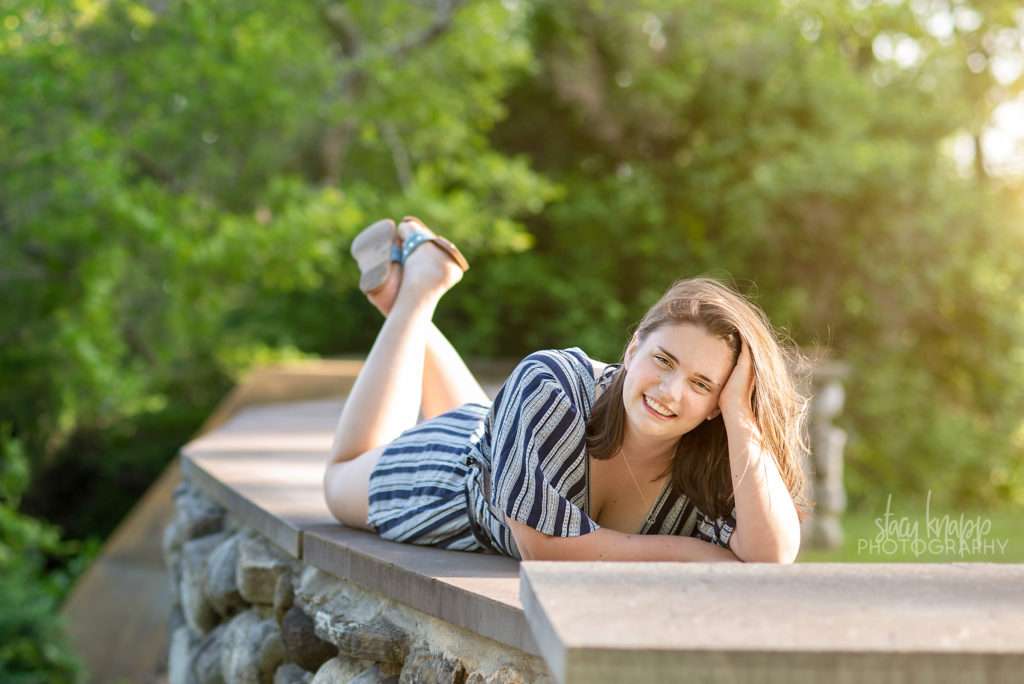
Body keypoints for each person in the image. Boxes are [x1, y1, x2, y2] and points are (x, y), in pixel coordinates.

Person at [324, 217, 811, 563]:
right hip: (448, 481)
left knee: (491, 421)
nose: (670, 391)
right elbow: (544, 546)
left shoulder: (715, 456)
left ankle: (415, 291)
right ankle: (416, 294)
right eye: (663, 360)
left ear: (717, 404)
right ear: (633, 347)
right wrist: (692, 554)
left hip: (514, 441)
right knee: (340, 476)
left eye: (702, 384)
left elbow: (771, 555)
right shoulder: (551, 384)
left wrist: (741, 417)